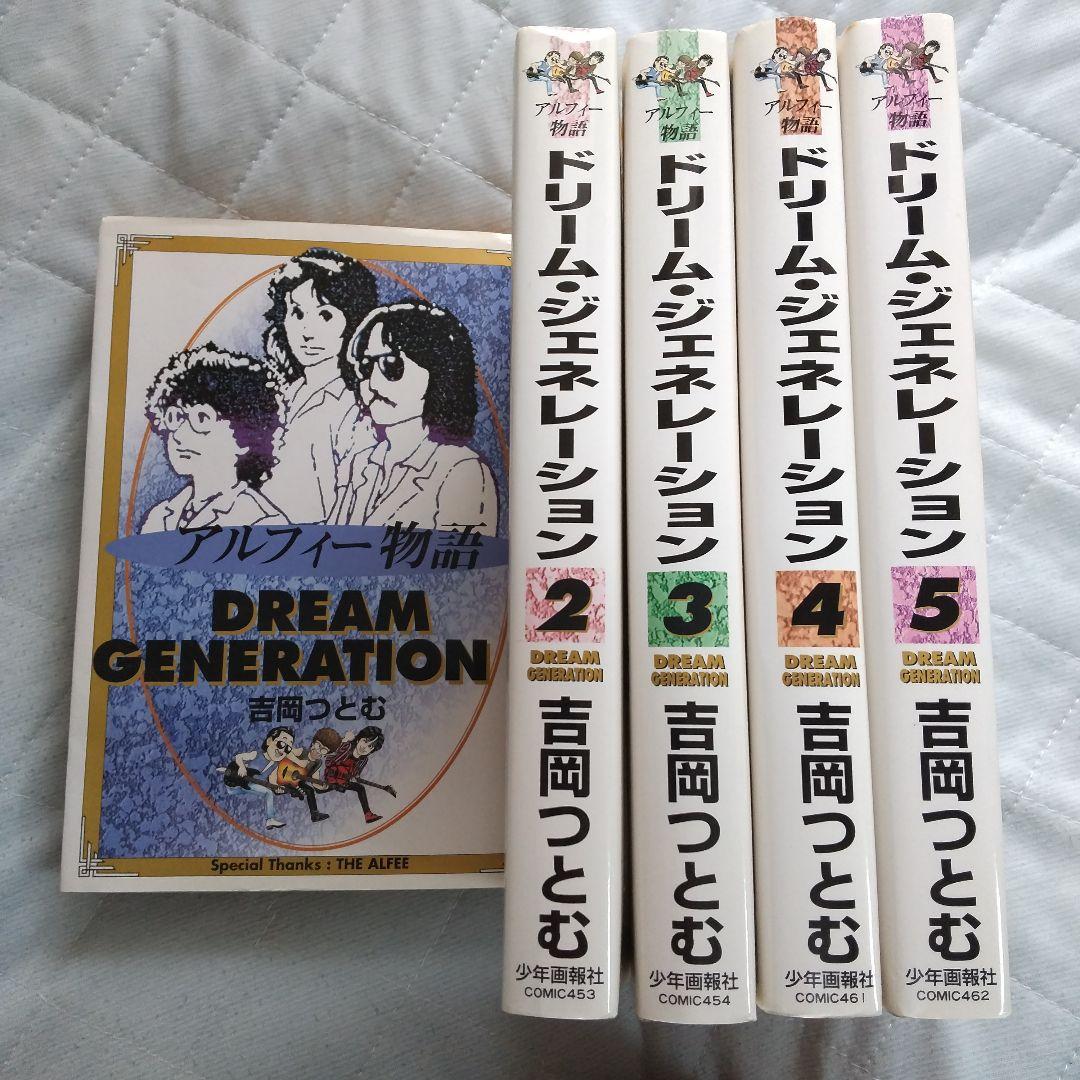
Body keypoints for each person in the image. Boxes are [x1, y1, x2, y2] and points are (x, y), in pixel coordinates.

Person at [332, 302, 499, 535]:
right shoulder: (362, 462)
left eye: (392, 366)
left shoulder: (462, 469)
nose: (373, 384)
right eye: (367, 367)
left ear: (439, 371)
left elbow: (461, 555)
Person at [259, 248, 378, 523]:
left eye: (325, 316)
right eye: (297, 314)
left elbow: (354, 500)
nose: (307, 332)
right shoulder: (282, 394)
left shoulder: (356, 405)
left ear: (353, 322)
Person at [141, 344, 288, 533]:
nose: (179, 434)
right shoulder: (160, 517)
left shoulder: (263, 523)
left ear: (245, 437)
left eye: (201, 419)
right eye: (175, 417)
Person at [225, 727, 329, 829]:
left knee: (269, 792)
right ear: (269, 741)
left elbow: (273, 781)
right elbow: (239, 757)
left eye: (287, 748)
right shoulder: (257, 754)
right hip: (238, 779)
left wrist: (278, 789)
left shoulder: (276, 765)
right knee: (248, 791)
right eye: (281, 744)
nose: (282, 750)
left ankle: (271, 820)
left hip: (250, 784)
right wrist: (242, 767)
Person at [320, 725, 397, 824]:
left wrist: (355, 777)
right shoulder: (347, 746)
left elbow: (356, 774)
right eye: (365, 741)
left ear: (372, 750)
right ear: (358, 739)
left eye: (370, 746)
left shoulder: (363, 760)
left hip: (343, 781)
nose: (365, 747)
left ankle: (368, 815)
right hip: (331, 777)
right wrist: (344, 742)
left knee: (360, 788)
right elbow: (329, 761)